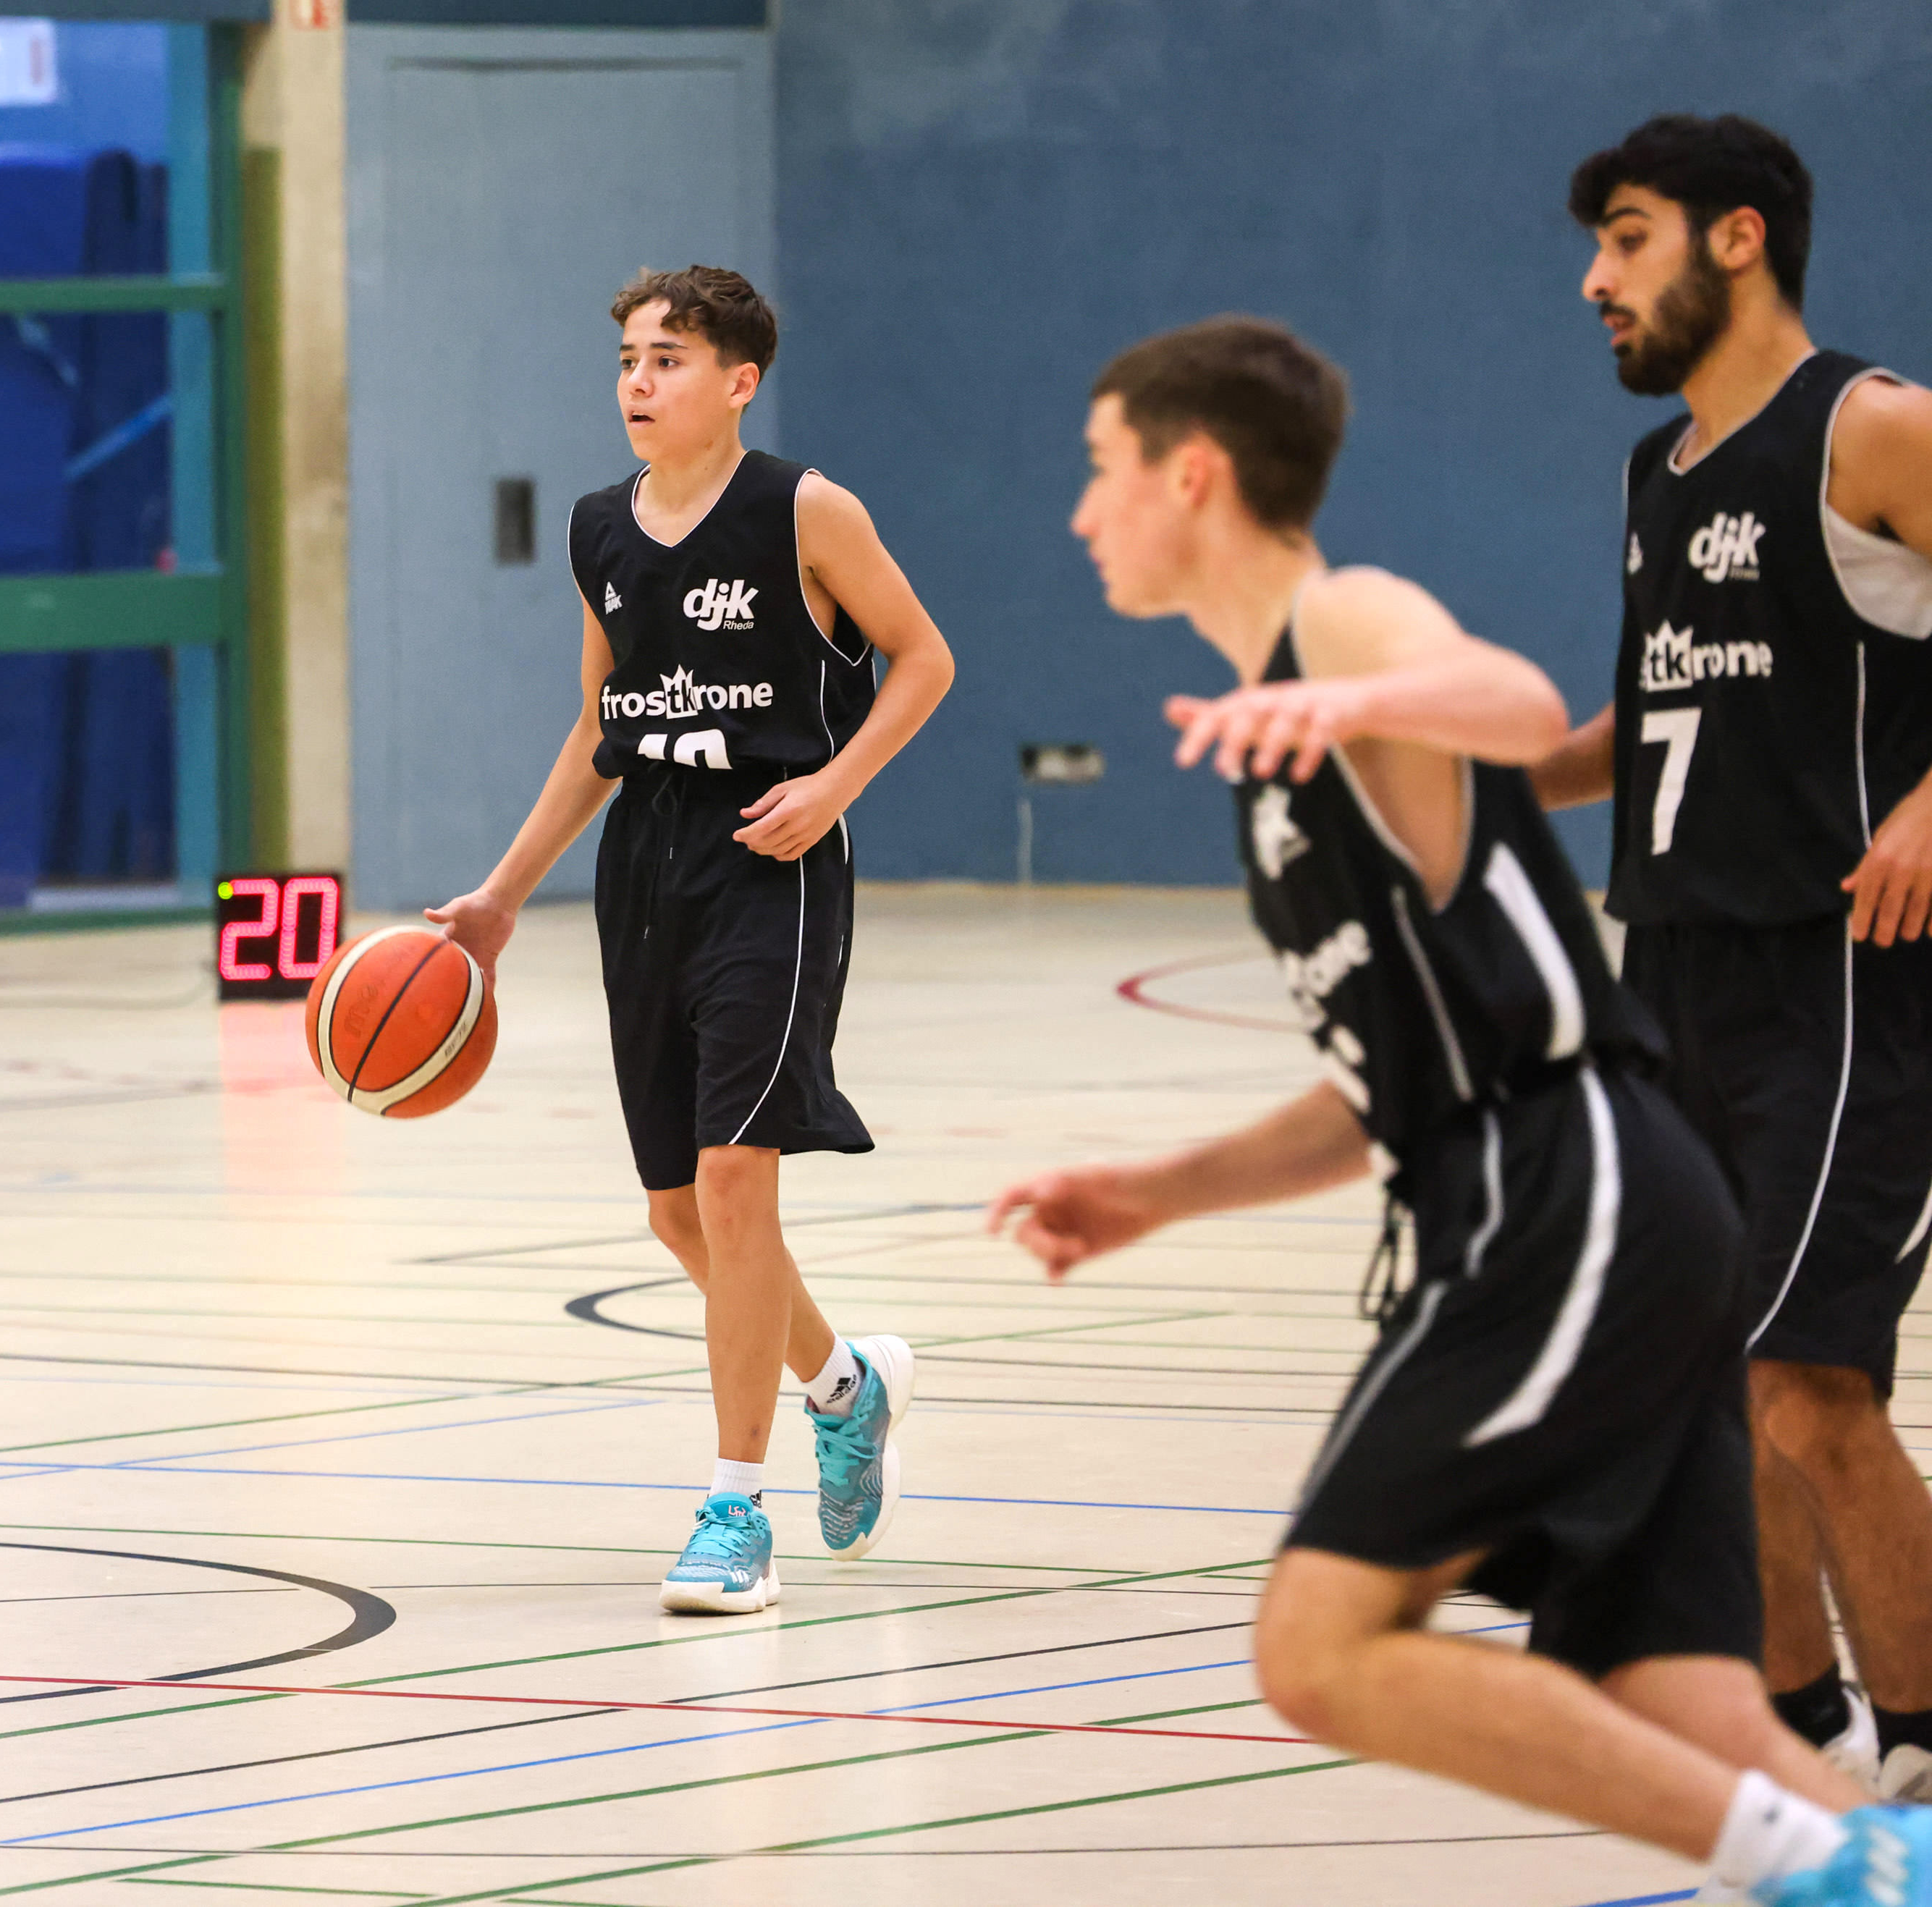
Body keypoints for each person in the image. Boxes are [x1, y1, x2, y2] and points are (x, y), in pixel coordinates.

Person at [993, 313, 1932, 1904]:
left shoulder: (1340, 626)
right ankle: (1872, 1868)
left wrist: (1356, 706)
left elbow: (1507, 696)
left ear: (1192, 472)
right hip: (1583, 1189)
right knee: (1681, 1697)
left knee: (1317, 1646)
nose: (1082, 512)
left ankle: (1830, 1854)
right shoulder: (1279, 724)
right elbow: (1393, 1081)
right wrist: (1156, 1191)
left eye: (1100, 469)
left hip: (1563, 1201)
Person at [429, 266, 956, 1615]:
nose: (637, 382)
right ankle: (844, 1386)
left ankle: (735, 1511)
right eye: (626, 359)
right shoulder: (599, 530)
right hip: (645, 864)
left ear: (738, 381)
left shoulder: (807, 510)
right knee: (676, 1209)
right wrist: (501, 895)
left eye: (666, 358)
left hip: (771, 858)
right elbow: (596, 731)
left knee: (733, 1183)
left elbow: (923, 658)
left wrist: (834, 783)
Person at [1524, 114, 1932, 1799]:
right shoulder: (1660, 471)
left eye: (1624, 236)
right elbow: (1650, 723)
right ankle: (1799, 1722)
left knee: (1804, 1381)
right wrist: (1457, 774)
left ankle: (1921, 1747)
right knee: (1713, 1377)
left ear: (1737, 237)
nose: (1594, 279)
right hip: (1674, 969)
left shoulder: (1871, 426)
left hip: (1840, 974)